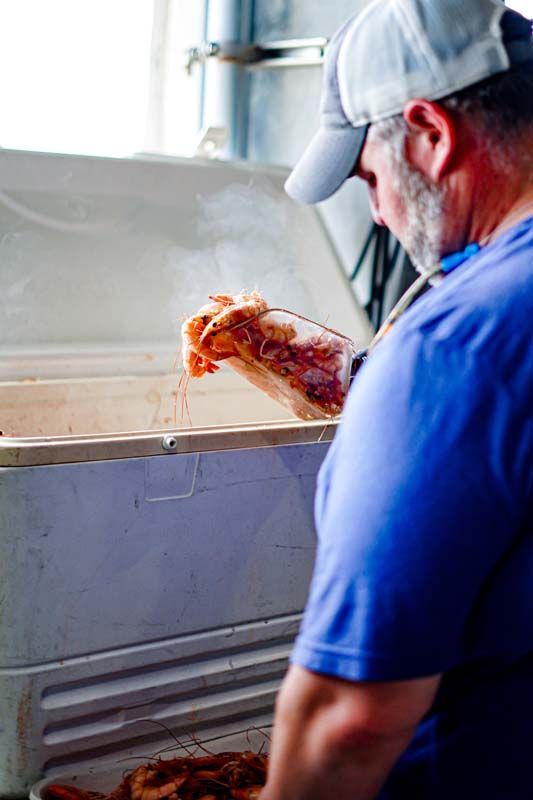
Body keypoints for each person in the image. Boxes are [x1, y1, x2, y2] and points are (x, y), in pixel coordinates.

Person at [259, 1, 533, 799]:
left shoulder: (456, 346)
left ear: (430, 134)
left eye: (369, 178)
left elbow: (348, 719)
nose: (378, 214)